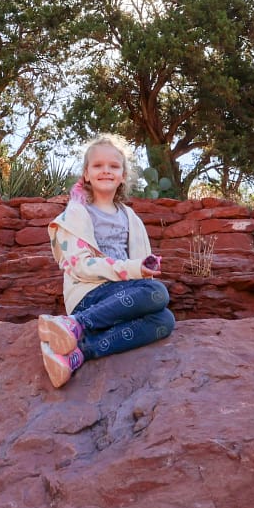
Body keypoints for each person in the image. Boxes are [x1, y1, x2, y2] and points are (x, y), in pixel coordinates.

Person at [41, 135, 175, 388]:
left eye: (114, 166)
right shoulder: (76, 213)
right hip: (89, 294)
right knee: (157, 293)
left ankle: (78, 352)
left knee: (164, 320)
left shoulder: (131, 217)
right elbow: (79, 266)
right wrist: (133, 269)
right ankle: (74, 323)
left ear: (123, 175)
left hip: (122, 293)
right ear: (86, 174)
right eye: (98, 165)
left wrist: (146, 265)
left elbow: (137, 264)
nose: (106, 171)